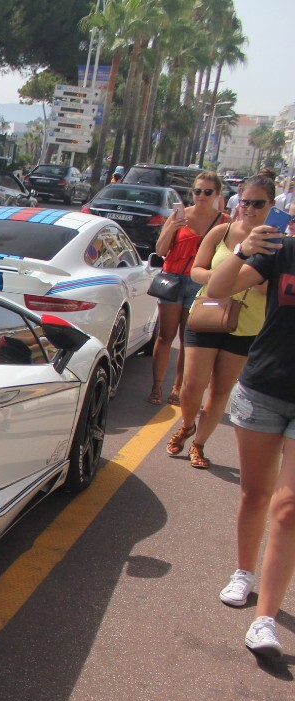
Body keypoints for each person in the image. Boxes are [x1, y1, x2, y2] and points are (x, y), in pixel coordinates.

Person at [205, 187, 295, 660]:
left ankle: (265, 621)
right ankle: (244, 572)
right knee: (256, 493)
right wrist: (243, 249)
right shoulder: (282, 250)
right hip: (264, 388)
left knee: (288, 506)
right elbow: (217, 288)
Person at [170, 174, 272, 471]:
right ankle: (187, 424)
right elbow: (196, 271)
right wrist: (226, 277)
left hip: (247, 324)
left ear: (271, 205)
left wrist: (236, 275)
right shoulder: (221, 232)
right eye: (246, 202)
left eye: (258, 203)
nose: (250, 208)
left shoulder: (275, 245)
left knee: (219, 390)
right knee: (191, 385)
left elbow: (266, 288)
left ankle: (199, 443)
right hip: (208, 314)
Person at [148, 171, 223, 406]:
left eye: (207, 192)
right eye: (197, 191)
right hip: (173, 279)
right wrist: (171, 228)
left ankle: (178, 387)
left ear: (217, 194)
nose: (201, 196)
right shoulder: (179, 216)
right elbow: (160, 250)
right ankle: (157, 386)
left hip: (200, 282)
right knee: (165, 335)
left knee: (187, 339)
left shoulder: (224, 222)